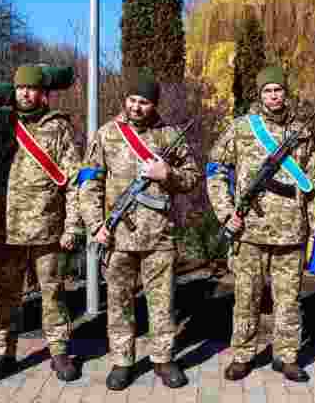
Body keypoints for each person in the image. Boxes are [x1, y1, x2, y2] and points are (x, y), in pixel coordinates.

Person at [79, 71, 202, 391]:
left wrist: (167, 174)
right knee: (119, 302)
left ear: (154, 105)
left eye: (143, 102)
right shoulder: (106, 134)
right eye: (132, 100)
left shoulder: (169, 134)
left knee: (162, 302)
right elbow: (89, 183)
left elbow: (192, 178)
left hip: (159, 235)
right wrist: (94, 226)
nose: (136, 107)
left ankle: (162, 358)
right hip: (117, 235)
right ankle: (122, 361)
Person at [206, 65, 315, 383]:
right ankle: (242, 355)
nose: (273, 96)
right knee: (247, 297)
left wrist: (313, 225)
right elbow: (215, 169)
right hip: (249, 231)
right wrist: (227, 212)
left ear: (286, 93)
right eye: (268, 90)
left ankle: (287, 356)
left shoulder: (303, 131)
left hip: (291, 231)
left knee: (289, 300)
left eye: (278, 90)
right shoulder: (242, 128)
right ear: (260, 94)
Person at [0, 64, 84, 382]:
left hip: (48, 228)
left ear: (42, 93)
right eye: (21, 88)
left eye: (32, 88)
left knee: (53, 293)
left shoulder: (58, 127)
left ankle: (59, 351)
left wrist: (72, 226)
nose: (26, 93)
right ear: (14, 90)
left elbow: (75, 180)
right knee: (6, 294)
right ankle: (5, 351)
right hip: (5, 229)